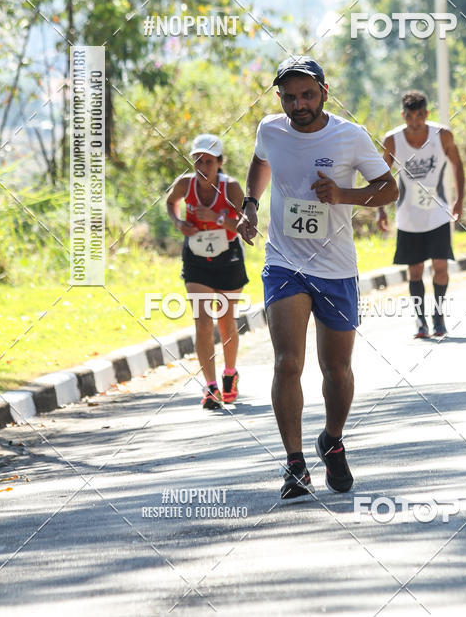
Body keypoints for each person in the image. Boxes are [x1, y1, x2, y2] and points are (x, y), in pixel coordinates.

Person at [237, 56, 397, 500]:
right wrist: (250, 204)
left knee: (337, 369)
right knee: (288, 361)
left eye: (307, 94)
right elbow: (261, 161)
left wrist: (345, 194)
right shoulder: (271, 129)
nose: (298, 104)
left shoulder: (350, 136)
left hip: (336, 268)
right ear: (280, 98)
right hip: (285, 262)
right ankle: (294, 464)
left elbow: (389, 188)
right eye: (289, 96)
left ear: (324, 92)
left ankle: (332, 439)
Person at [166, 133, 248, 408]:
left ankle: (229, 374)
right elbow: (170, 203)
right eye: (198, 161)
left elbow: (246, 227)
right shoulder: (184, 184)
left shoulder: (232, 187)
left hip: (228, 257)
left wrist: (217, 219)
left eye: (209, 162)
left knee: (225, 320)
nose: (203, 167)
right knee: (202, 320)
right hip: (197, 259)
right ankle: (210, 386)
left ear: (220, 162)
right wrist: (179, 223)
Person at [376, 90, 464, 339]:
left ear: (426, 114)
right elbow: (382, 176)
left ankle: (438, 317)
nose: (415, 123)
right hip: (408, 215)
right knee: (414, 271)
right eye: (409, 117)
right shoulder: (393, 140)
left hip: (437, 212)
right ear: (403, 116)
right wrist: (380, 210)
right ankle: (420, 321)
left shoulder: (442, 135)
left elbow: (458, 164)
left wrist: (459, 199)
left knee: (440, 267)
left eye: (419, 116)